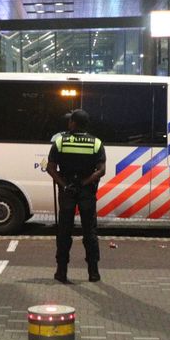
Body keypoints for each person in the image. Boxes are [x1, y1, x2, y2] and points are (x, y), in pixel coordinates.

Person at [46, 108, 106, 283]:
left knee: (64, 232)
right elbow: (101, 171)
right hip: (87, 192)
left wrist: (65, 185)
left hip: (67, 192)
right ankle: (93, 272)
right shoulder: (96, 143)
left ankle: (61, 271)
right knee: (90, 232)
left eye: (70, 120)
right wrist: (84, 183)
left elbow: (51, 168)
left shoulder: (60, 142)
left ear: (73, 122)